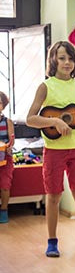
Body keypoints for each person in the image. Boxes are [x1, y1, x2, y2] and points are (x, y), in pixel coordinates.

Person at [26, 40, 75, 257]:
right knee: (54, 196)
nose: (66, 62)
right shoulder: (45, 86)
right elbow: (30, 119)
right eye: (61, 58)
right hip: (53, 151)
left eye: (70, 58)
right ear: (53, 61)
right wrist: (55, 123)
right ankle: (52, 241)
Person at [0, 91, 14, 224]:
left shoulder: (7, 121)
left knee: (5, 185)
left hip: (5, 158)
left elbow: (11, 139)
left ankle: (3, 210)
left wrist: (9, 146)